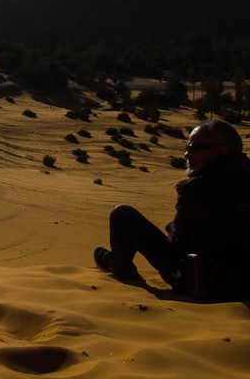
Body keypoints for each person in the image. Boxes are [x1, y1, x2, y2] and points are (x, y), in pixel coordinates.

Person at [94, 119, 250, 301]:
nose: (186, 154)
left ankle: (120, 266)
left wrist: (172, 229)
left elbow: (178, 243)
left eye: (193, 148)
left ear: (221, 151)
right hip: (245, 287)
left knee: (123, 214)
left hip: (201, 287)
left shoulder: (195, 189)